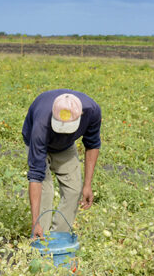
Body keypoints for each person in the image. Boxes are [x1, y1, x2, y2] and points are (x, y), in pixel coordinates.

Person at [22, 89, 102, 238]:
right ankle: (41, 239)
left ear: (80, 116)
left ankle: (59, 239)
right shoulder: (41, 123)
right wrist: (35, 222)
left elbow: (92, 144)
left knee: (74, 189)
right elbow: (36, 175)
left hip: (66, 146)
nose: (63, 132)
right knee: (46, 192)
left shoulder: (92, 111)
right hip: (38, 141)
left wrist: (87, 185)